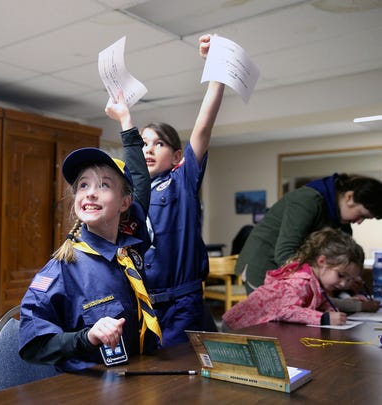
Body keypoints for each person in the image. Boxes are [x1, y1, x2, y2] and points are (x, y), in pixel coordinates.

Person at [105, 34, 225, 346]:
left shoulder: (181, 180)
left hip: (182, 301)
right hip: (144, 303)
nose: (148, 149)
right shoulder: (131, 193)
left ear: (176, 157)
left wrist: (217, 75)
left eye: (159, 143)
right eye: (143, 142)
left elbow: (202, 129)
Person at [19, 147, 161, 372]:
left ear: (125, 203)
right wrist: (87, 337)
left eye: (104, 185)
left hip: (139, 375)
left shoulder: (130, 254)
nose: (90, 193)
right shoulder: (62, 269)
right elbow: (33, 346)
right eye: (83, 185)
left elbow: (142, 188)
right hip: (89, 387)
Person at [236, 173, 382, 297]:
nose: (359, 222)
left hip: (291, 269)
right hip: (263, 263)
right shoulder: (307, 200)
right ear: (349, 197)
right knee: (273, 319)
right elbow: (284, 253)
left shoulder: (341, 223)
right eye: (361, 215)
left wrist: (349, 282)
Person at [222, 228, 364, 330]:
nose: (343, 283)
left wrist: (330, 310)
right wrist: (324, 318)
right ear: (322, 262)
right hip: (238, 327)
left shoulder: (315, 281)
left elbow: (321, 301)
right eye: (341, 275)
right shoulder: (300, 280)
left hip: (258, 327)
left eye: (349, 279)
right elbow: (285, 310)